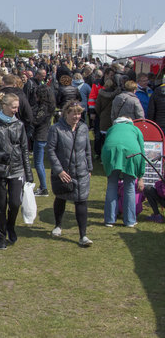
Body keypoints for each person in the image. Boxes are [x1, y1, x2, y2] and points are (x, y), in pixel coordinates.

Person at [0, 93, 33, 250]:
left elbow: (25, 149)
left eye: (17, 107)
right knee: (1, 205)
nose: (16, 110)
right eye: (13, 107)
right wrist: (0, 156)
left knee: (15, 203)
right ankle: (2, 235)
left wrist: (29, 174)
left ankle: (11, 226)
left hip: (17, 169)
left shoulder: (19, 125)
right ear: (4, 106)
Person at [47, 101, 94, 246]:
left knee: (81, 200)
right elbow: (50, 150)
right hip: (64, 171)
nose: (77, 116)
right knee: (61, 197)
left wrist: (89, 168)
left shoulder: (83, 128)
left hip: (81, 171)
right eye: (74, 113)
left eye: (79, 113)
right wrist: (59, 170)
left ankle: (83, 236)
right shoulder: (56, 129)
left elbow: (87, 149)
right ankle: (58, 225)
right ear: (66, 113)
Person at [102, 116, 146, 227]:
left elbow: (107, 142)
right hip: (131, 153)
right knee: (130, 186)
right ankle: (130, 221)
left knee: (112, 184)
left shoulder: (111, 129)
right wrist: (141, 175)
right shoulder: (135, 129)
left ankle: (109, 220)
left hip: (110, 151)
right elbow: (142, 152)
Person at [32, 85, 56, 196]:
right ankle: (43, 187)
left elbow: (36, 120)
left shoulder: (43, 108)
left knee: (38, 163)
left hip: (40, 136)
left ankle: (43, 187)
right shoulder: (49, 105)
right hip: (44, 135)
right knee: (39, 163)